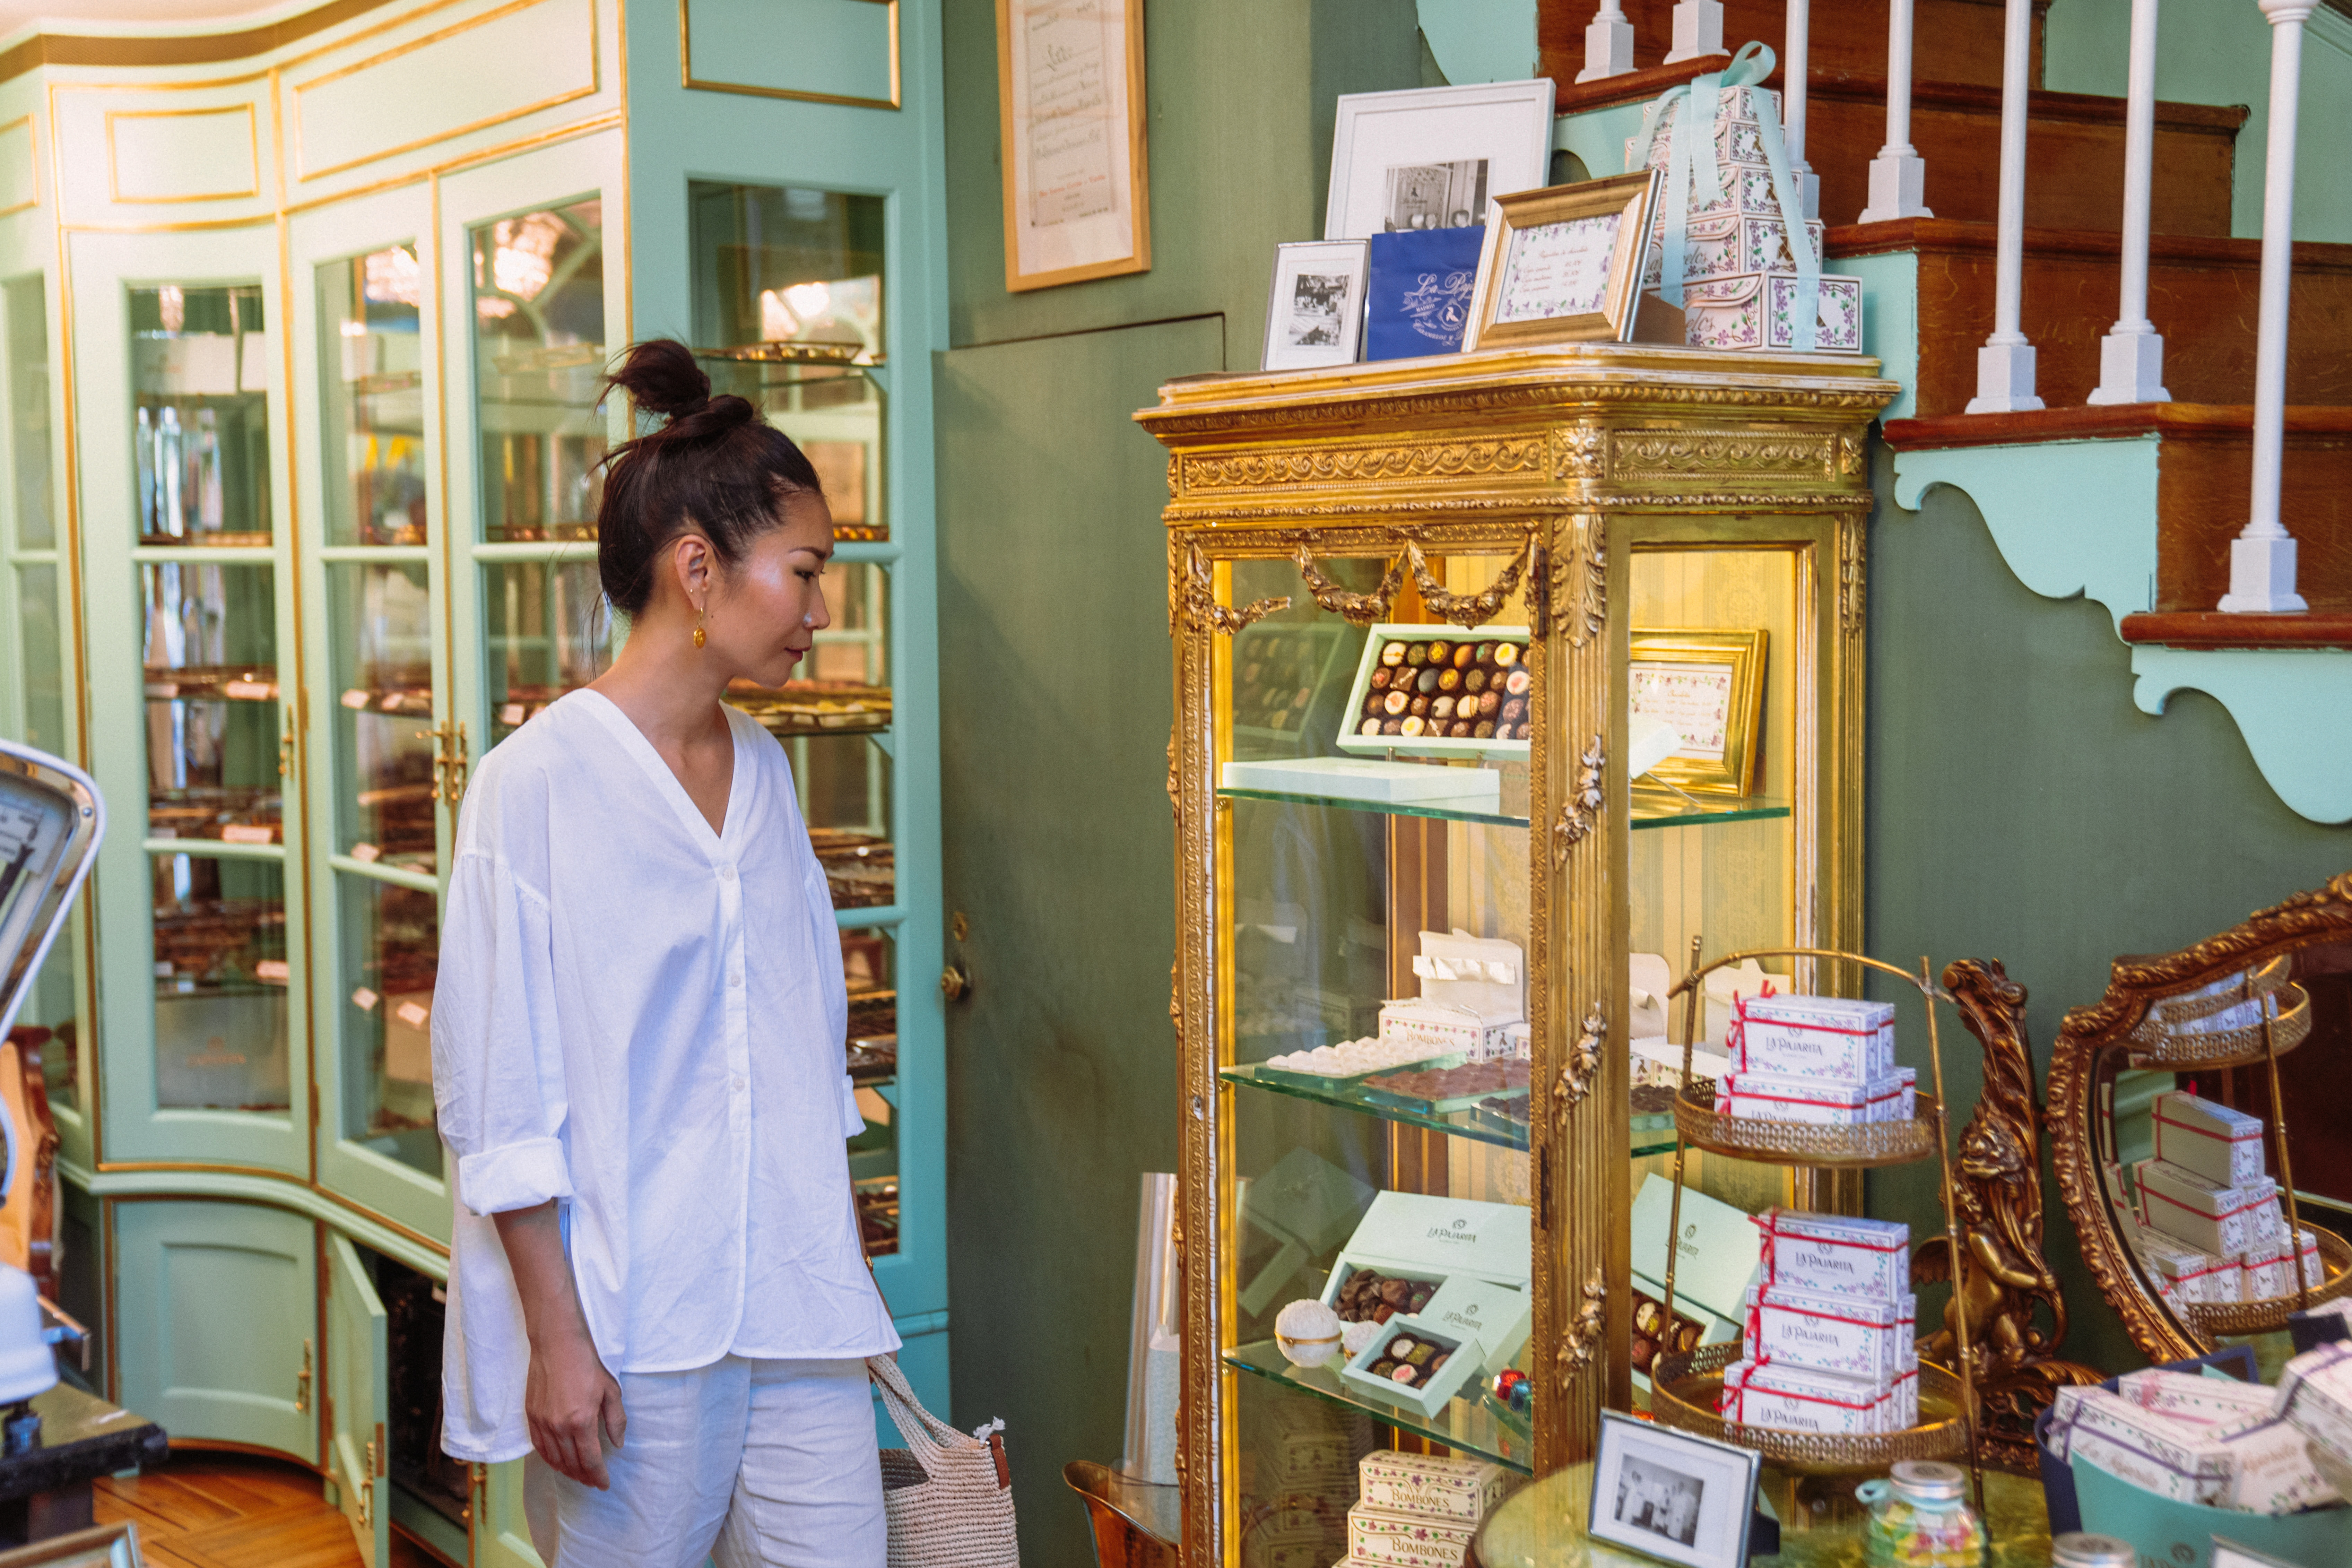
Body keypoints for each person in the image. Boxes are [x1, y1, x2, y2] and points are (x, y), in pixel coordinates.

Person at [432, 338, 899, 1567]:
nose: (819, 609)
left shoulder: (768, 769)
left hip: (793, 1303)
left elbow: (800, 1051)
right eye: (802, 571)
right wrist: (559, 1343)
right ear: (699, 567)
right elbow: (499, 1099)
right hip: (631, 1323)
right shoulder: (529, 788)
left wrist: (843, 1268)